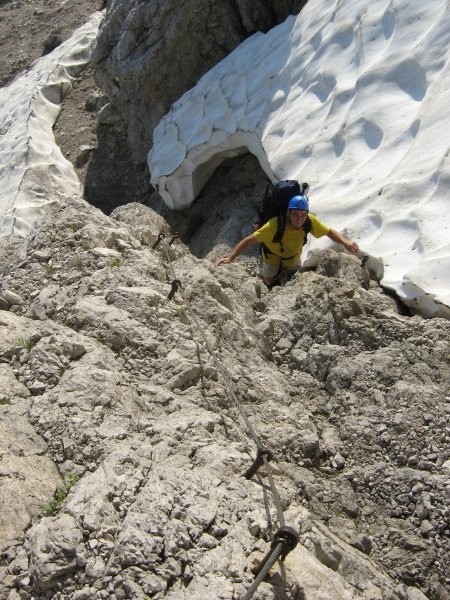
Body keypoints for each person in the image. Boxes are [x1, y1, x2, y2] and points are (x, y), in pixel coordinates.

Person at [217, 195, 359, 286]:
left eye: (303, 215)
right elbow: (249, 240)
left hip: (292, 257)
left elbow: (329, 232)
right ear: (288, 213)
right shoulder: (274, 225)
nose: (299, 219)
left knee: (292, 279)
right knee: (268, 278)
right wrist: (231, 258)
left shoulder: (309, 221)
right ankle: (269, 288)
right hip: (271, 256)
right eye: (296, 215)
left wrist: (345, 243)